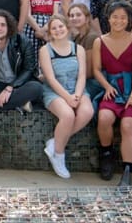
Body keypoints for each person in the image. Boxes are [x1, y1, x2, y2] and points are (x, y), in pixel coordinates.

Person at [92, 1, 132, 187]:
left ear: (129, 20)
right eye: (115, 17)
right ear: (108, 18)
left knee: (128, 125)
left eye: (123, 17)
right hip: (112, 88)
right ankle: (106, 154)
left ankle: (128, 170)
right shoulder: (99, 41)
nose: (118, 21)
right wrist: (106, 86)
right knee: (104, 117)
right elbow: (96, 69)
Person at [39, 15, 94, 179]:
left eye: (61, 26)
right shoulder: (45, 50)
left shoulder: (78, 49)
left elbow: (82, 75)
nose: (58, 30)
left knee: (87, 112)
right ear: (50, 32)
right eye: (54, 28)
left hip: (76, 88)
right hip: (54, 91)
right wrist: (67, 98)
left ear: (67, 28)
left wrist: (77, 95)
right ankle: (58, 154)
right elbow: (50, 79)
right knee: (68, 115)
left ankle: (55, 141)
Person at [24, 0, 60, 64]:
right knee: (30, 55)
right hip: (31, 26)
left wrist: (43, 30)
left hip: (49, 25)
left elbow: (55, 14)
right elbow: (27, 14)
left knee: (48, 55)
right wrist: (38, 30)